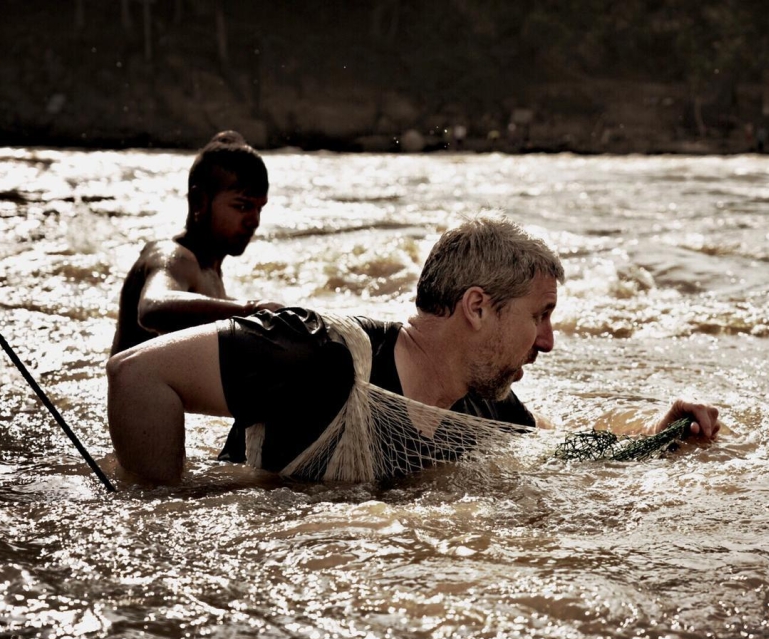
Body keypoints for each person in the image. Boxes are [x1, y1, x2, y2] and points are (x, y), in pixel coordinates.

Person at [106, 215, 720, 483]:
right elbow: (137, 374)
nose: (548, 342)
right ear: (478, 307)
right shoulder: (315, 352)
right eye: (540, 316)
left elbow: (569, 451)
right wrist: (162, 507)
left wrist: (659, 436)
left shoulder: (487, 411)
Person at [110, 130, 281, 357]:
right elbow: (152, 307)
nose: (254, 221)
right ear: (199, 201)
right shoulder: (173, 256)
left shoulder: (210, 268)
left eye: (260, 208)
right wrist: (252, 309)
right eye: (242, 206)